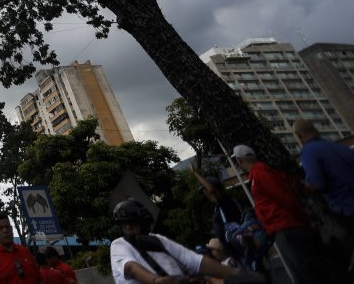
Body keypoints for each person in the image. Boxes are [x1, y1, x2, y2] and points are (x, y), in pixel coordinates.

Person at [232, 143, 333, 283]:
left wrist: (303, 219)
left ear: (239, 160)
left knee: (305, 273)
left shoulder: (259, 173)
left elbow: (284, 197)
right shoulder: (258, 173)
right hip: (286, 228)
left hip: (287, 228)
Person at [109, 199, 246, 284]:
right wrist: (156, 281)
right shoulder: (119, 245)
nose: (128, 226)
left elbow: (195, 260)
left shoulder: (158, 240)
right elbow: (130, 268)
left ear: (143, 222)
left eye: (132, 222)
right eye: (123, 223)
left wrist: (239, 275)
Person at [294, 118, 354, 226]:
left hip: (346, 208)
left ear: (299, 135)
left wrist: (304, 185)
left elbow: (317, 183)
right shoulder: (338, 146)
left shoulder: (308, 151)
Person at [0, 212, 39, 284]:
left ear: (11, 229)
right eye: (0, 228)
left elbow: (39, 279)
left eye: (7, 226)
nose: (5, 230)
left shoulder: (24, 251)